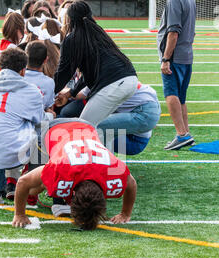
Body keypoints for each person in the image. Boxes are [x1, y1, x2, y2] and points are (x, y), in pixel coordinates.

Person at [12, 118, 137, 230]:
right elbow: (23, 182)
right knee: (33, 191)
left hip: (87, 127)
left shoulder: (112, 175)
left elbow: (131, 184)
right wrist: (19, 214)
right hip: (55, 128)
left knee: (43, 185)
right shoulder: (60, 169)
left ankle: (44, 181)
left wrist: (126, 213)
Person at [0, 48, 45, 206]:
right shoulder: (31, 90)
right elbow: (39, 121)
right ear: (23, 71)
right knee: (42, 133)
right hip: (14, 154)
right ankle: (29, 191)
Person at [53, 1, 138, 127]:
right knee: (100, 125)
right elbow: (90, 72)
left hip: (113, 85)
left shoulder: (72, 39)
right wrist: (71, 92)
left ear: (69, 19)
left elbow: (64, 72)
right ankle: (108, 147)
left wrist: (49, 94)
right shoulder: (98, 33)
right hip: (130, 80)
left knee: (83, 127)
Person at [57, 82, 161, 155]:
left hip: (135, 140)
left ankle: (104, 167)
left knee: (92, 128)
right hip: (143, 118)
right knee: (91, 127)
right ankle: (105, 166)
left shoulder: (103, 76)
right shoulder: (115, 72)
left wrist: (59, 90)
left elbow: (78, 96)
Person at [157, 0, 196, 150]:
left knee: (171, 93)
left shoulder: (174, 1)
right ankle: (186, 133)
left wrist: (166, 58)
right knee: (181, 97)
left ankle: (181, 135)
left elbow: (173, 32)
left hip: (175, 57)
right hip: (186, 55)